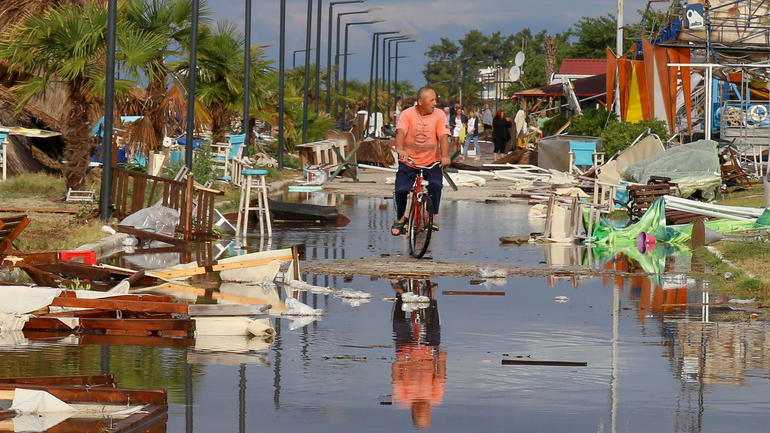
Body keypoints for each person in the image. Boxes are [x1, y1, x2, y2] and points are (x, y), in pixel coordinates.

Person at [391, 87, 451, 236]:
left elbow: (444, 136)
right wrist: (400, 150)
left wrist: (444, 156)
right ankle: (400, 219)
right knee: (401, 190)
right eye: (432, 100)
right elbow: (401, 133)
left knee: (436, 186)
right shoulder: (407, 114)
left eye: (435, 100)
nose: (435, 103)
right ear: (420, 102)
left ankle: (432, 217)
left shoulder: (439, 115)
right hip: (409, 160)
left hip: (432, 161)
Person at [391, 278, 446, 430]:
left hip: (406, 354)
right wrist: (441, 359)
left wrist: (398, 362)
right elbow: (440, 376)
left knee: (399, 326)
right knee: (434, 331)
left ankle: (399, 294)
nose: (424, 410)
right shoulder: (435, 398)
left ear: (414, 412)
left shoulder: (403, 398)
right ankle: (431, 296)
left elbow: (396, 377)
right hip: (428, 353)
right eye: (426, 414)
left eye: (422, 414)